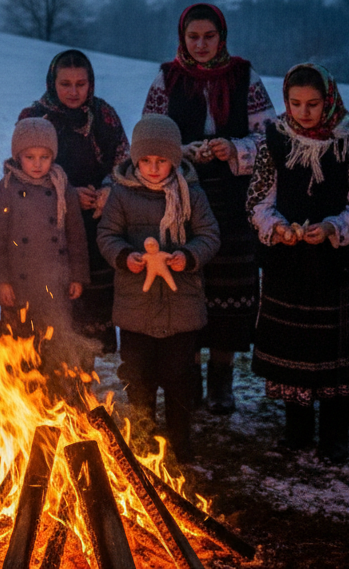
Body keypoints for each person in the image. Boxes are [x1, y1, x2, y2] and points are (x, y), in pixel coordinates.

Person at [143, 3, 275, 413]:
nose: (200, 45)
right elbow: (149, 137)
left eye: (209, 37)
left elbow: (271, 139)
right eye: (193, 37)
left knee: (229, 289)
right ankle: (191, 377)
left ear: (222, 38)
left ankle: (222, 379)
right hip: (181, 198)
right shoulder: (167, 78)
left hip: (234, 201)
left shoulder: (244, 77)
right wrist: (183, 152)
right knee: (188, 285)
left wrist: (234, 148)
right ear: (182, 38)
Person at [97, 115, 220, 464]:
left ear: (174, 160)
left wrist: (188, 256)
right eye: (146, 161)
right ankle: (142, 441)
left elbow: (210, 236)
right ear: (136, 160)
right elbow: (106, 235)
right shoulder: (121, 195)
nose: (153, 168)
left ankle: (181, 443)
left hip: (182, 307)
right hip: (136, 309)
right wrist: (126, 256)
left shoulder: (191, 195)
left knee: (179, 378)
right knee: (138, 378)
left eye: (161, 160)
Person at [248, 64, 349, 464]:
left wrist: (333, 227)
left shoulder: (348, 141)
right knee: (292, 347)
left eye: (312, 104)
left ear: (328, 100)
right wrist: (275, 227)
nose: (303, 112)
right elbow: (258, 199)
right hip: (287, 261)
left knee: (332, 350)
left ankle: (334, 434)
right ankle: (296, 428)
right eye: (295, 104)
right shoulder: (274, 138)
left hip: (336, 265)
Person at [18, 49, 129, 355]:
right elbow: (23, 173)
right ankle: (51, 384)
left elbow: (123, 163)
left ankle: (83, 382)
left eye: (80, 84)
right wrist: (67, 193)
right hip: (48, 229)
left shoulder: (104, 116)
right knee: (55, 308)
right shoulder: (35, 119)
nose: (73, 91)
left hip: (94, 227)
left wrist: (108, 188)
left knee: (90, 308)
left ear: (90, 83)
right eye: (65, 84)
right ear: (53, 82)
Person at [0, 118, 91, 385]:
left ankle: (56, 398)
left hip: (55, 284)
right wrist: (1, 282)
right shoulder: (4, 190)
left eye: (44, 156)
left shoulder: (62, 188)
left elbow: (76, 237)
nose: (37, 163)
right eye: (29, 156)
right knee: (18, 348)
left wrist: (77, 276)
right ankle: (17, 400)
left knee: (55, 344)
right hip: (18, 290)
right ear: (17, 155)